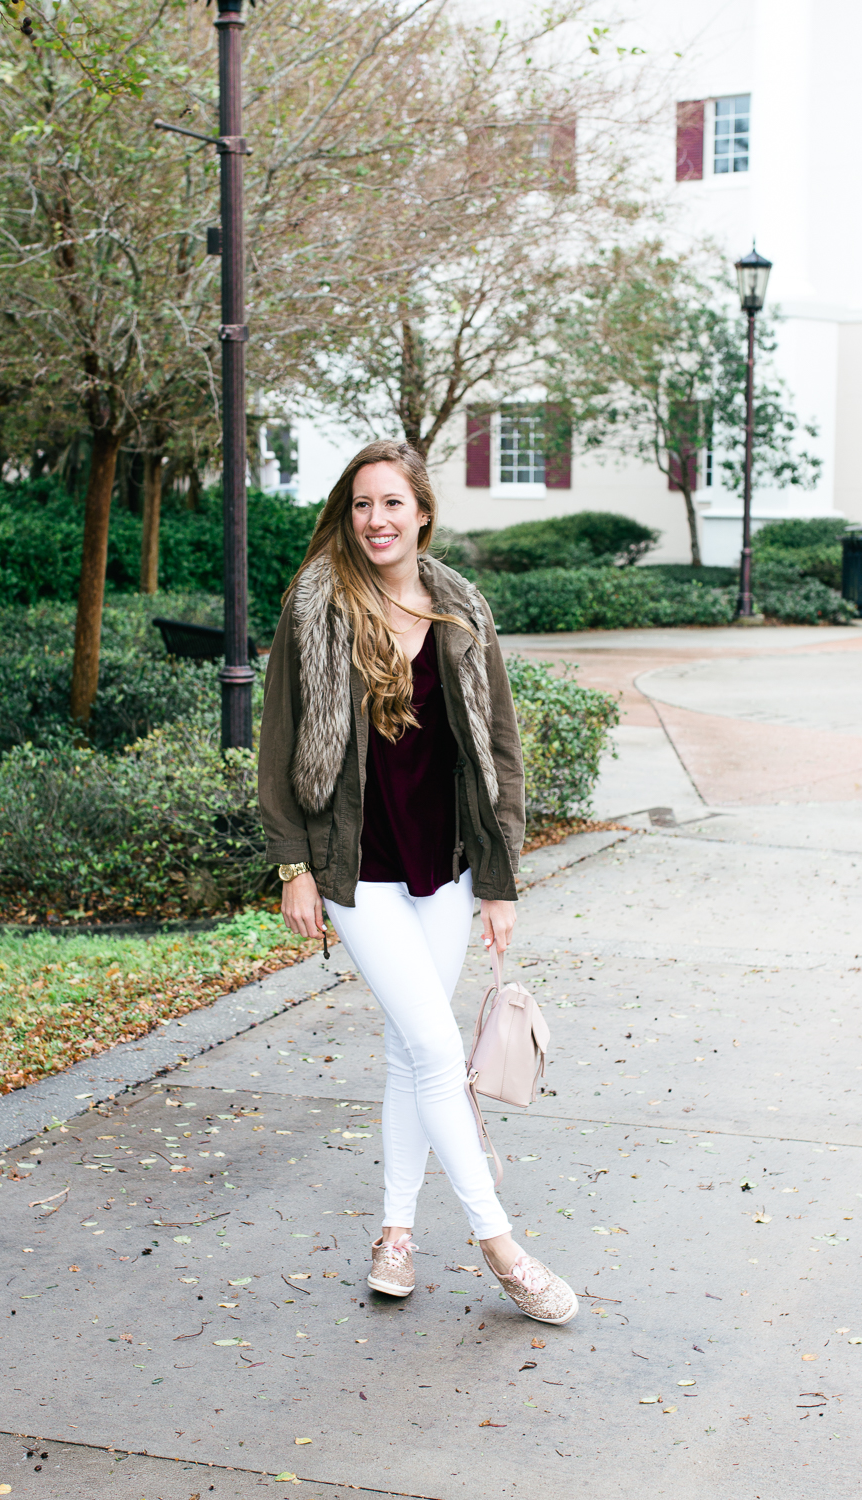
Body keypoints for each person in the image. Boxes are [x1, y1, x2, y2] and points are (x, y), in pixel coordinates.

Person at [258, 439, 578, 1325]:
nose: (376, 521)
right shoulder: (318, 603)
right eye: (362, 505)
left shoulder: (461, 608)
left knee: (412, 1049)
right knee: (438, 1051)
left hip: (445, 865)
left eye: (392, 504)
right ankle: (502, 1249)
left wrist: (502, 880)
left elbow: (499, 747)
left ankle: (395, 1235)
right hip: (354, 865)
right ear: (348, 513)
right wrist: (292, 864)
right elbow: (278, 739)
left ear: (423, 513)